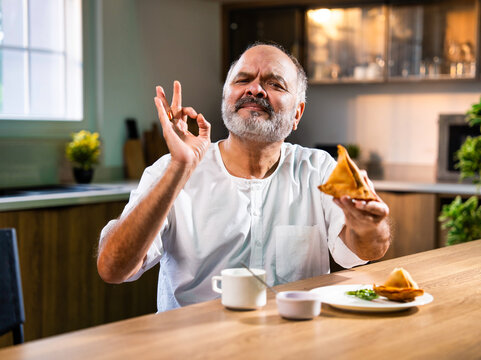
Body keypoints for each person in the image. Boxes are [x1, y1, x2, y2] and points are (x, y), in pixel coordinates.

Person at [97, 42, 391, 312]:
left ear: (297, 113)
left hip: (294, 342)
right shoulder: (170, 170)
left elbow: (368, 249)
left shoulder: (319, 169)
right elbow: (113, 269)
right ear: (226, 97)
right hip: (195, 347)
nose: (256, 90)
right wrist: (179, 169)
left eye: (274, 83)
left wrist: (371, 227)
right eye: (242, 80)